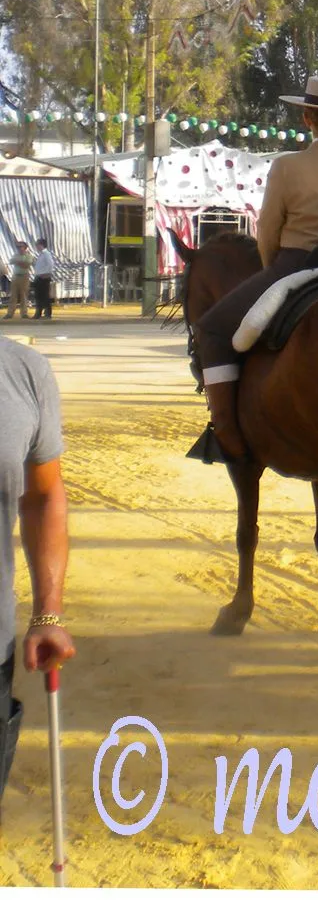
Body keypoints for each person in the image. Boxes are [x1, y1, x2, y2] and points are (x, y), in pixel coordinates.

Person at [194, 77, 318, 462]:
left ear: (306, 118)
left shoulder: (286, 166)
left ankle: (228, 437)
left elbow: (268, 232)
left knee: (212, 329)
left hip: (296, 265)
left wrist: (273, 274)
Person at [0, 335, 76, 811]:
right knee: (220, 331)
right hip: (289, 264)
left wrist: (48, 612)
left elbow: (44, 495)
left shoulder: (23, 370)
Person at [5, 242, 32, 321]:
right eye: (18, 247)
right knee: (13, 295)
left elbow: (27, 265)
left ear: (25, 247)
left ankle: (24, 313)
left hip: (24, 276)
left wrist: (18, 262)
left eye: (21, 246)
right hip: (15, 276)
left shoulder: (28, 256)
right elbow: (11, 261)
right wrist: (21, 262)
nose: (19, 248)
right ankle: (10, 313)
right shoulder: (15, 255)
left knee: (23, 295)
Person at [32, 239, 55, 321]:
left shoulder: (46, 254)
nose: (36, 247)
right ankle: (38, 313)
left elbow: (50, 264)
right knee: (38, 296)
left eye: (37, 245)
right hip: (39, 276)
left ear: (41, 245)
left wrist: (47, 273)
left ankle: (48, 313)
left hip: (44, 277)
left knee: (45, 296)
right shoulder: (40, 255)